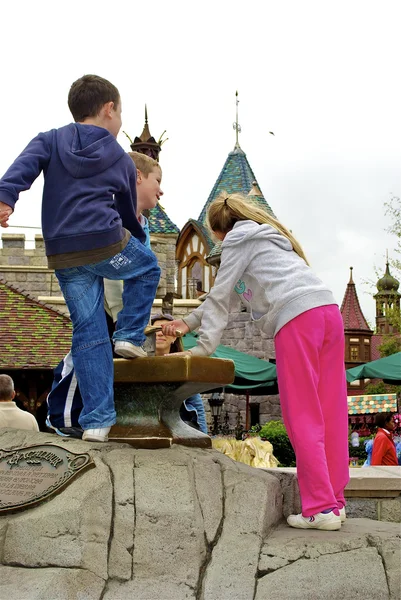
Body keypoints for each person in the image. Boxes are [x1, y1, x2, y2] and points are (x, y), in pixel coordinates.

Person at [162, 192, 349, 531]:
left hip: (297, 321)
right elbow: (229, 297)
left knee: (302, 414)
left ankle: (320, 508)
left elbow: (219, 294)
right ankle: (334, 503)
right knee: (330, 410)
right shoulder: (269, 242)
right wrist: (186, 323)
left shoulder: (236, 240)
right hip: (327, 313)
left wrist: (201, 348)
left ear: (217, 232)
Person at [0, 75, 161, 443]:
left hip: (64, 253)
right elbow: (124, 212)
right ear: (109, 109)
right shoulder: (120, 158)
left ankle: (97, 421)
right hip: (106, 245)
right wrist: (136, 241)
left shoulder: (50, 140)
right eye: (120, 113)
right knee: (148, 266)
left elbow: (23, 167)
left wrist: (6, 198)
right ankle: (129, 335)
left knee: (87, 332)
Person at [46, 151, 164, 438]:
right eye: (157, 180)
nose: (161, 189)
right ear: (137, 176)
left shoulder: (143, 229)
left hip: (125, 322)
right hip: (102, 313)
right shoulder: (103, 215)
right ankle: (66, 417)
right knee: (85, 353)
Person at [150, 313, 208, 434]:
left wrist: (202, 436)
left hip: (178, 430)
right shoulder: (138, 367)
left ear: (174, 337)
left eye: (165, 330)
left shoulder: (184, 370)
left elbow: (196, 405)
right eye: (155, 330)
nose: (160, 333)